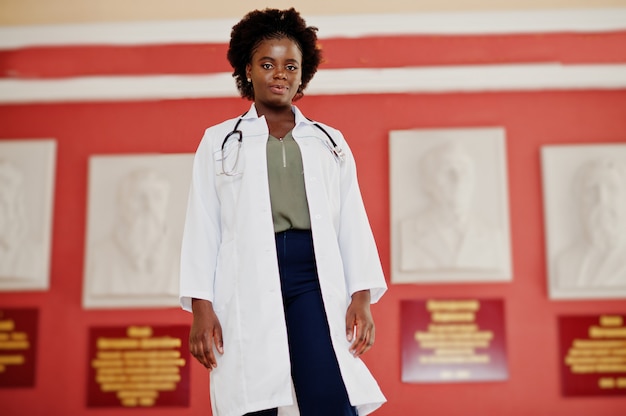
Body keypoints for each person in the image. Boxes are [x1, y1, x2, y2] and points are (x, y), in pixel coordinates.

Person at [179, 8, 387, 416]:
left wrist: (361, 298)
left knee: (328, 390)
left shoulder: (329, 142)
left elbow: (352, 221)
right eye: (267, 64)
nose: (280, 74)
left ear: (302, 73)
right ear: (248, 70)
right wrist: (202, 308)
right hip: (247, 275)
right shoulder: (219, 141)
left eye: (290, 65)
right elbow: (202, 224)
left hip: (312, 276)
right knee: (254, 394)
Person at [399, 141, 504, 273]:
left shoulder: (492, 236)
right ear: (427, 181)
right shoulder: (409, 231)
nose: (457, 179)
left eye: (464, 170)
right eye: (448, 170)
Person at [87, 168, 179, 297]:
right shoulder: (98, 255)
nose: (148, 205)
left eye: (157, 197)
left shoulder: (181, 255)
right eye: (139, 197)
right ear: (122, 204)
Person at [555, 157, 626, 288]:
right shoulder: (564, 262)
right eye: (592, 190)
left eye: (612, 189)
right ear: (579, 202)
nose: (602, 200)